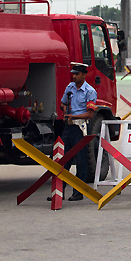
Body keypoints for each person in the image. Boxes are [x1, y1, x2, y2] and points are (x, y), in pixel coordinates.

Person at [56, 63, 97, 201]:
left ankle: (78, 192)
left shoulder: (89, 91)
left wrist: (74, 116)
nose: (74, 76)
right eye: (73, 74)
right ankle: (58, 191)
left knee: (81, 160)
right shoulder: (70, 88)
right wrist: (65, 110)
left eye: (77, 74)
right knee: (63, 159)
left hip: (80, 127)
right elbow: (62, 103)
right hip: (69, 126)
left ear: (84, 75)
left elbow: (90, 114)